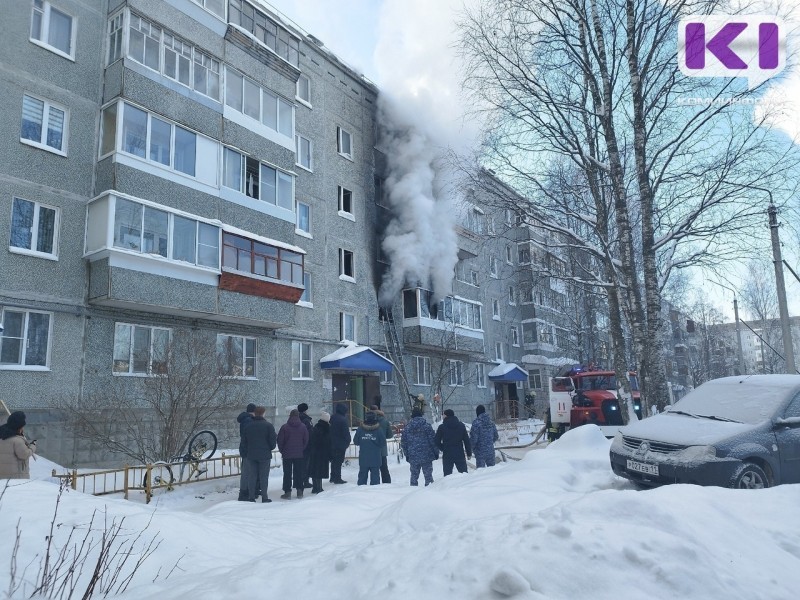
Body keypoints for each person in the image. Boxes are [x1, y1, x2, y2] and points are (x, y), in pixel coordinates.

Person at [240, 406, 277, 503]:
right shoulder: (268, 426)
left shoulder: (248, 426)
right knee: (263, 476)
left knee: (252, 476)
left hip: (251, 455)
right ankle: (264, 497)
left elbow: (244, 442)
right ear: (263, 413)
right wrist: (268, 448)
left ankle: (251, 497)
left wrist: (247, 451)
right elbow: (273, 443)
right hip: (264, 455)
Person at [400, 407, 438, 486]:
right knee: (428, 477)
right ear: (421, 415)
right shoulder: (427, 426)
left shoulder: (407, 428)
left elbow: (404, 442)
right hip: (426, 455)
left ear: (412, 416)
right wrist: (435, 452)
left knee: (414, 477)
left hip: (413, 455)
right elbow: (433, 441)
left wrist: (407, 455)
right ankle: (431, 494)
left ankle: (413, 494)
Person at [278, 409, 309, 499]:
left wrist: (282, 450)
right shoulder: (303, 427)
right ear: (298, 416)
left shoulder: (285, 427)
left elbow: (280, 441)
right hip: (299, 454)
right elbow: (306, 440)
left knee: (287, 473)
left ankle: (287, 492)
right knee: (299, 472)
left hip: (287, 454)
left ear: (290, 416)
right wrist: (301, 449)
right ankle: (299, 491)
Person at [435, 409, 472, 476]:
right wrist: (469, 453)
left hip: (447, 453)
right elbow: (466, 440)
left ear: (446, 415)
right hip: (459, 453)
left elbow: (436, 441)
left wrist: (443, 448)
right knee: (464, 475)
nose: (442, 416)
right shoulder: (461, 426)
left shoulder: (442, 427)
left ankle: (449, 486)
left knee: (447, 476)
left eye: (443, 414)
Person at [353, 411, 386, 485]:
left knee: (362, 479)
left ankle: (360, 495)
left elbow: (356, 442)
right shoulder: (379, 430)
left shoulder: (360, 429)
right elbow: (383, 442)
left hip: (364, 458)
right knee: (375, 481)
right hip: (376, 458)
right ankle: (373, 495)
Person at [0, 411, 36, 479]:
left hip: (2, 479)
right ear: (19, 427)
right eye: (22, 427)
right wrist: (33, 446)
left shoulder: (1, 437)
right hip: (16, 479)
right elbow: (24, 454)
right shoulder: (17, 441)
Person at [236, 403, 257, 501]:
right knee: (247, 472)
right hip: (248, 450)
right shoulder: (249, 421)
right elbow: (249, 436)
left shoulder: (244, 420)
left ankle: (246, 491)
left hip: (245, 449)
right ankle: (244, 493)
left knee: (247, 471)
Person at [308, 411, 331, 494]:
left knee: (315, 470)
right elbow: (328, 442)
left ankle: (315, 487)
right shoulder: (327, 428)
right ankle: (319, 488)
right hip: (323, 453)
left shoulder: (316, 427)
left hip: (314, 452)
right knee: (320, 471)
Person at [329, 403, 351, 484]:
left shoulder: (332, 417)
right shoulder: (343, 419)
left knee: (334, 461)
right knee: (339, 461)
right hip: (340, 444)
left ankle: (332, 477)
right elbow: (346, 433)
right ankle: (337, 478)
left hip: (332, 443)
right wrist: (348, 441)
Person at [371, 404, 393, 483]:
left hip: (371, 448)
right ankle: (386, 483)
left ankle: (375, 483)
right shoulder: (385, 421)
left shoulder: (367, 420)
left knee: (374, 468)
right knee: (384, 467)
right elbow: (390, 435)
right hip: (382, 448)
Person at [297, 403, 314, 489]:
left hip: (298, 445)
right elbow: (310, 433)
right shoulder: (306, 420)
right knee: (306, 464)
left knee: (299, 464)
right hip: (306, 445)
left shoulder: (296, 418)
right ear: (305, 410)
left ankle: (298, 480)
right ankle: (305, 481)